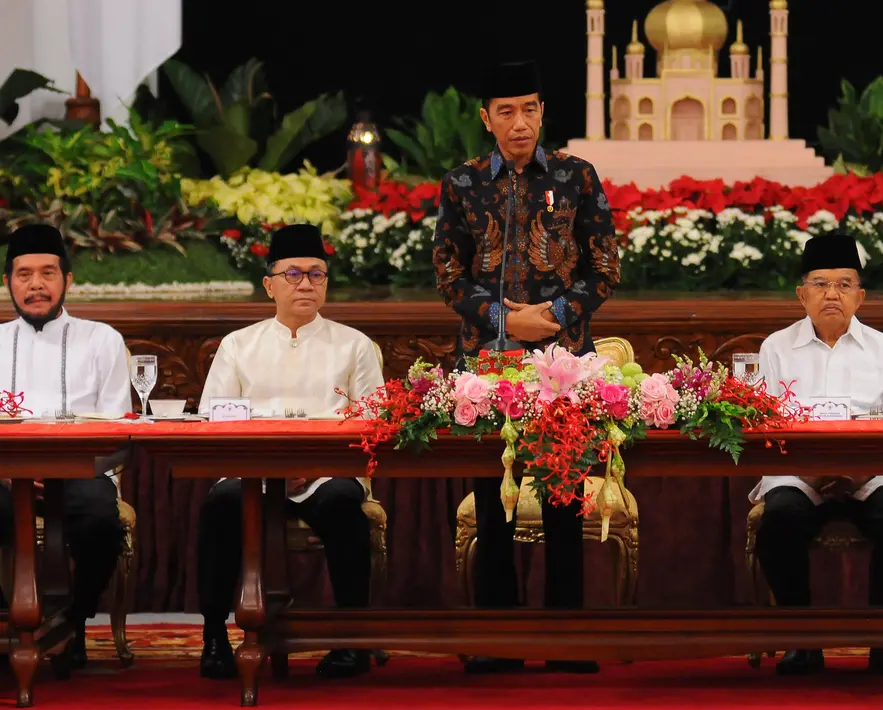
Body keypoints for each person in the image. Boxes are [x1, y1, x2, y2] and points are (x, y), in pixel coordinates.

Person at [431, 59, 620, 675]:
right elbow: (447, 274)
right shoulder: (461, 183)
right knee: (493, 502)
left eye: (531, 109)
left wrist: (554, 315)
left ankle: (564, 634)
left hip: (562, 362)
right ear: (486, 119)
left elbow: (605, 270)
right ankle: (497, 636)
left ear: (542, 112)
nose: (520, 123)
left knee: (564, 495)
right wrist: (508, 322)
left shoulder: (576, 176)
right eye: (507, 111)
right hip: (485, 364)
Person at [195, 223, 384, 680]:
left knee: (343, 504)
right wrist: (267, 466)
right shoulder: (238, 345)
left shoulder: (354, 345)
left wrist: (312, 464)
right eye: (293, 273)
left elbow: (373, 423)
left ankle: (349, 639)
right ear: (269, 284)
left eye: (316, 274)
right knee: (220, 505)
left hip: (326, 472)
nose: (306, 284)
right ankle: (215, 635)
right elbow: (215, 419)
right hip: (251, 472)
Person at [750, 232, 883, 676]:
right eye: (821, 283)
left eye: (844, 284)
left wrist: (857, 470)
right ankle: (801, 639)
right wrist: (808, 472)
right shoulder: (774, 348)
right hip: (795, 472)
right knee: (780, 519)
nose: (832, 294)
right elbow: (761, 427)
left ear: (860, 295)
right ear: (801, 293)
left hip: (870, 474)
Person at [0, 223, 129, 668]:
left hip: (83, 471)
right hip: (4, 476)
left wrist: (69, 465)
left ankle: (71, 623)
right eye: (24, 274)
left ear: (68, 280)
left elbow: (120, 432)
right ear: (8, 283)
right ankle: (9, 624)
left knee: (101, 524)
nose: (36, 284)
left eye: (48, 273)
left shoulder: (102, 340)